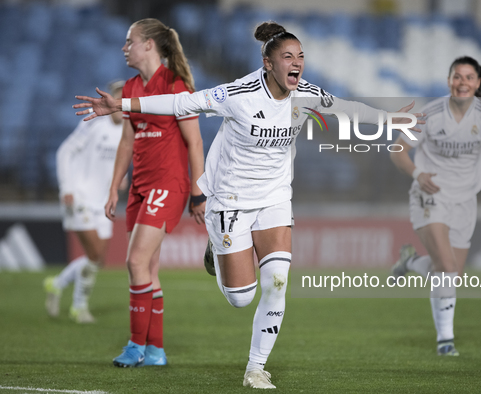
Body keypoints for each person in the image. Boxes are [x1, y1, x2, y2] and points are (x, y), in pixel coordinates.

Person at [74, 21, 422, 388]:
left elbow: (345, 108)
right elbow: (182, 102)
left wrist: (392, 119)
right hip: (230, 200)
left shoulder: (305, 94)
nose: (297, 62)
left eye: (301, 56)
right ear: (268, 64)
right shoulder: (238, 94)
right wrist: (122, 104)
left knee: (277, 281)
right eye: (288, 56)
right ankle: (217, 246)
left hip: (274, 198)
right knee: (241, 298)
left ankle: (255, 367)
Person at [390, 56, 481, 356]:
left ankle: (409, 262)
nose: (462, 83)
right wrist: (418, 174)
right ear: (449, 81)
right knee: (446, 267)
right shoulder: (430, 113)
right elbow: (397, 150)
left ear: (478, 83)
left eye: (469, 78)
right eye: (457, 77)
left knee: (450, 273)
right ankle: (445, 341)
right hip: (429, 194)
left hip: (465, 200)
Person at [101, 18, 205, 368]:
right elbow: (127, 141)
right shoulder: (130, 87)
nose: (124, 47)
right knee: (149, 268)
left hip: (168, 184)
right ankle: (156, 351)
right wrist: (115, 186)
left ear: (149, 45)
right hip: (140, 187)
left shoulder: (177, 87)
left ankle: (135, 345)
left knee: (134, 261)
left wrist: (197, 192)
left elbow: (195, 142)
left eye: (129, 40)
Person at [44, 81, 125, 324]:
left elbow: (119, 161)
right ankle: (79, 308)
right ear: (111, 99)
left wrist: (121, 179)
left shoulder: (127, 131)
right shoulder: (93, 122)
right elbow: (64, 151)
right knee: (94, 253)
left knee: (97, 258)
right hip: (79, 196)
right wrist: (66, 188)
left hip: (103, 201)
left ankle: (56, 283)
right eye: (119, 97)